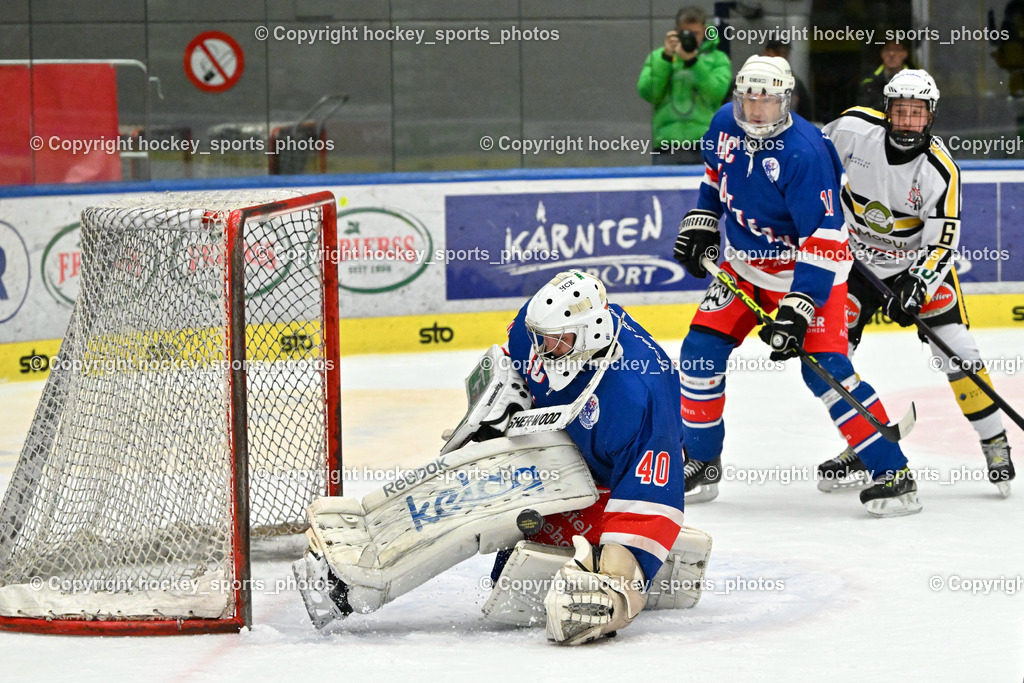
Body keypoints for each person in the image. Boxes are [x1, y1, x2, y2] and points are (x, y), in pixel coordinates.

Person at [672, 54, 921, 517]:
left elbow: (824, 239)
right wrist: (704, 221)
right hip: (744, 267)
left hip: (809, 270)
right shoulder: (725, 123)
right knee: (699, 353)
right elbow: (714, 175)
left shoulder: (804, 152)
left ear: (786, 100)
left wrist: (798, 307)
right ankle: (702, 461)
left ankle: (893, 472)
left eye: (766, 99)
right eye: (748, 98)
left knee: (824, 371)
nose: (756, 108)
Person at [820, 69, 1016, 495]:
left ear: (931, 117)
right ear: (887, 111)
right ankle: (865, 441)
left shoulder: (940, 171)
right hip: (853, 263)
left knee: (959, 352)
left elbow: (942, 246)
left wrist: (917, 285)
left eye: (917, 113)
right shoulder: (851, 129)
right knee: (833, 355)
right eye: (901, 111)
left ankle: (994, 441)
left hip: (914, 266)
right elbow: (810, 162)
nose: (908, 121)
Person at [495, 270, 693, 644]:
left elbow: (650, 500)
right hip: (555, 456)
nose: (542, 349)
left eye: (556, 342)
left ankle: (634, 559)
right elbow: (509, 362)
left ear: (593, 332)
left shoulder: (643, 391)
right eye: (540, 339)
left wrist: (616, 591)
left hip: (611, 483)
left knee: (538, 587)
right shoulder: (536, 326)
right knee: (505, 566)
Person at [637, 6, 732, 164]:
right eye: (686, 33)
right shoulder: (659, 57)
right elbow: (648, 93)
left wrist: (693, 62)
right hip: (667, 145)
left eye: (696, 34)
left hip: (705, 144)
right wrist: (666, 58)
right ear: (676, 32)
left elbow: (717, 92)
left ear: (705, 31)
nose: (691, 39)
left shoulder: (718, 59)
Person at [764, 39, 814, 120]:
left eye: (782, 53)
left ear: (787, 55)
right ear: (766, 53)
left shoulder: (795, 85)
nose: (777, 57)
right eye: (775, 52)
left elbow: (806, 117)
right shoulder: (749, 79)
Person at [857, 38, 911, 110]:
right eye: (887, 49)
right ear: (881, 53)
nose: (891, 54)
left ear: (905, 53)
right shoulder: (869, 81)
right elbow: (863, 110)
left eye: (897, 50)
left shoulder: (917, 79)